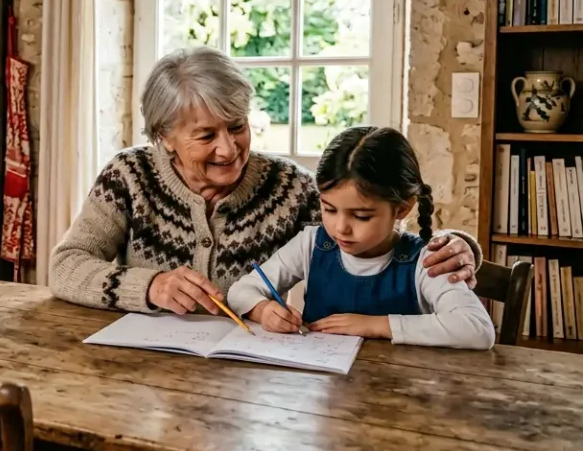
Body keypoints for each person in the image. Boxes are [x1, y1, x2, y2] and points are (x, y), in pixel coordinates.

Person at [50, 47, 480, 316]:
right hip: (141, 373)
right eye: (205, 136)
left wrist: (456, 245)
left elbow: (377, 227)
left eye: (236, 126)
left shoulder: (288, 186)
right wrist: (150, 286)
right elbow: (66, 266)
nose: (228, 148)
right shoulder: (128, 175)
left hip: (250, 382)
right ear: (164, 137)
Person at [226, 127, 495, 349]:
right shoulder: (312, 243)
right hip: (320, 393)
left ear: (402, 209)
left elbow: (477, 329)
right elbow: (240, 291)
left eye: (362, 216)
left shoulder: (426, 261)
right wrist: (262, 311)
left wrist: (374, 325)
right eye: (329, 209)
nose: (341, 227)